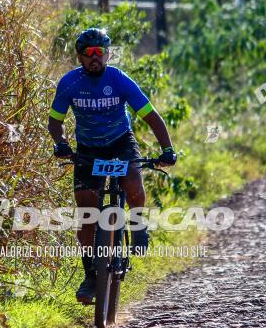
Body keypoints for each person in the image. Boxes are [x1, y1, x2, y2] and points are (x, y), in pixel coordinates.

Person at [48, 27, 176, 304]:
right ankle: (91, 275)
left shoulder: (118, 79)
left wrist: (166, 149)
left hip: (120, 142)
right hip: (88, 149)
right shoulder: (70, 83)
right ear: (80, 57)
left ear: (107, 54)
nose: (95, 57)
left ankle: (138, 224)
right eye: (88, 53)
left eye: (100, 52)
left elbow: (150, 116)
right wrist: (60, 143)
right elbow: (55, 121)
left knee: (132, 184)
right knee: (86, 214)